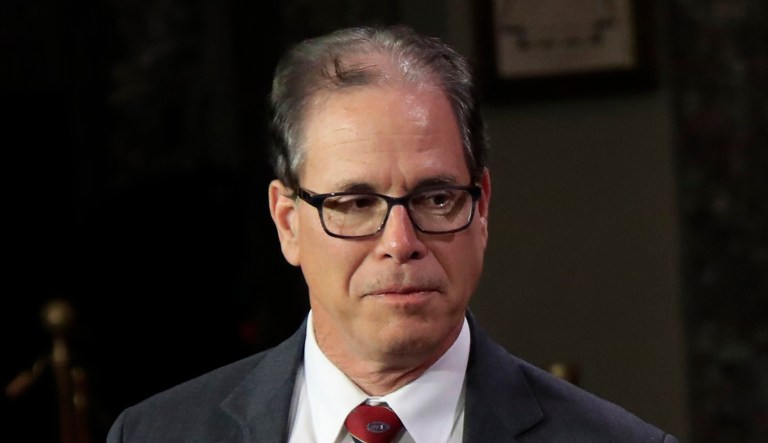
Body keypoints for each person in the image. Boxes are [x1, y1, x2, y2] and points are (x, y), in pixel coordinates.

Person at [106, 24, 679, 442]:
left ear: (481, 208)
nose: (401, 242)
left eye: (436, 198)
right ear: (288, 222)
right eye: (356, 204)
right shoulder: (155, 434)